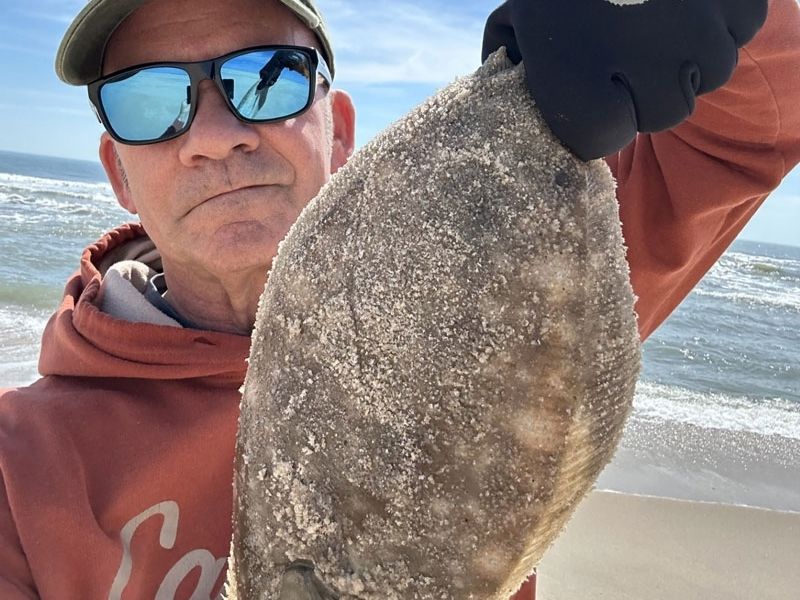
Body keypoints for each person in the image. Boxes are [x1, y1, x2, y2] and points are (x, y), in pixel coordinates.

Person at [0, 0, 798, 598]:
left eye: (266, 80)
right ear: (117, 172)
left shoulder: (490, 285)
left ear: (338, 129)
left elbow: (761, 118)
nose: (214, 135)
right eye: (149, 101)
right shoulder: (19, 464)